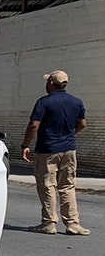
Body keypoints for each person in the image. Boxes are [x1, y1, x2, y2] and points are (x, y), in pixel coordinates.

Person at [21, 70, 89, 235]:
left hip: (48, 150)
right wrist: (69, 135)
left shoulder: (44, 102)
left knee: (47, 185)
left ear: (51, 83)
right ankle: (72, 223)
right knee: (68, 185)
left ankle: (49, 222)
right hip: (69, 149)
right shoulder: (76, 102)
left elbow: (33, 125)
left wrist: (25, 144)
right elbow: (82, 124)